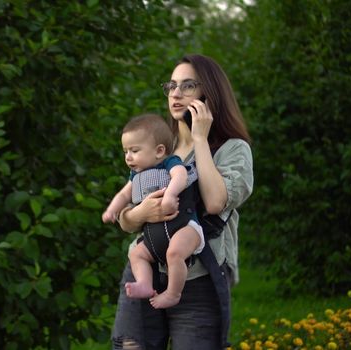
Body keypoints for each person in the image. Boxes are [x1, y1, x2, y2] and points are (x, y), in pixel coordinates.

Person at [111, 54, 254, 350]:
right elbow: (125, 219)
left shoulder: (233, 149)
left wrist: (200, 140)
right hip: (145, 271)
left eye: (188, 86)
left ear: (209, 92)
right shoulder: (160, 146)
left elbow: (215, 203)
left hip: (199, 278)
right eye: (171, 86)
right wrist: (139, 212)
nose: (176, 94)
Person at [102, 113, 205, 309]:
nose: (128, 157)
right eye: (125, 151)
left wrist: (169, 196)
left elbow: (180, 176)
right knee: (136, 254)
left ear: (159, 151)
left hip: (184, 227)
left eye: (134, 150)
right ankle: (144, 283)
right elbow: (124, 195)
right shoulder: (136, 176)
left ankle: (173, 293)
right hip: (153, 237)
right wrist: (112, 210)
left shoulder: (169, 163)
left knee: (175, 254)